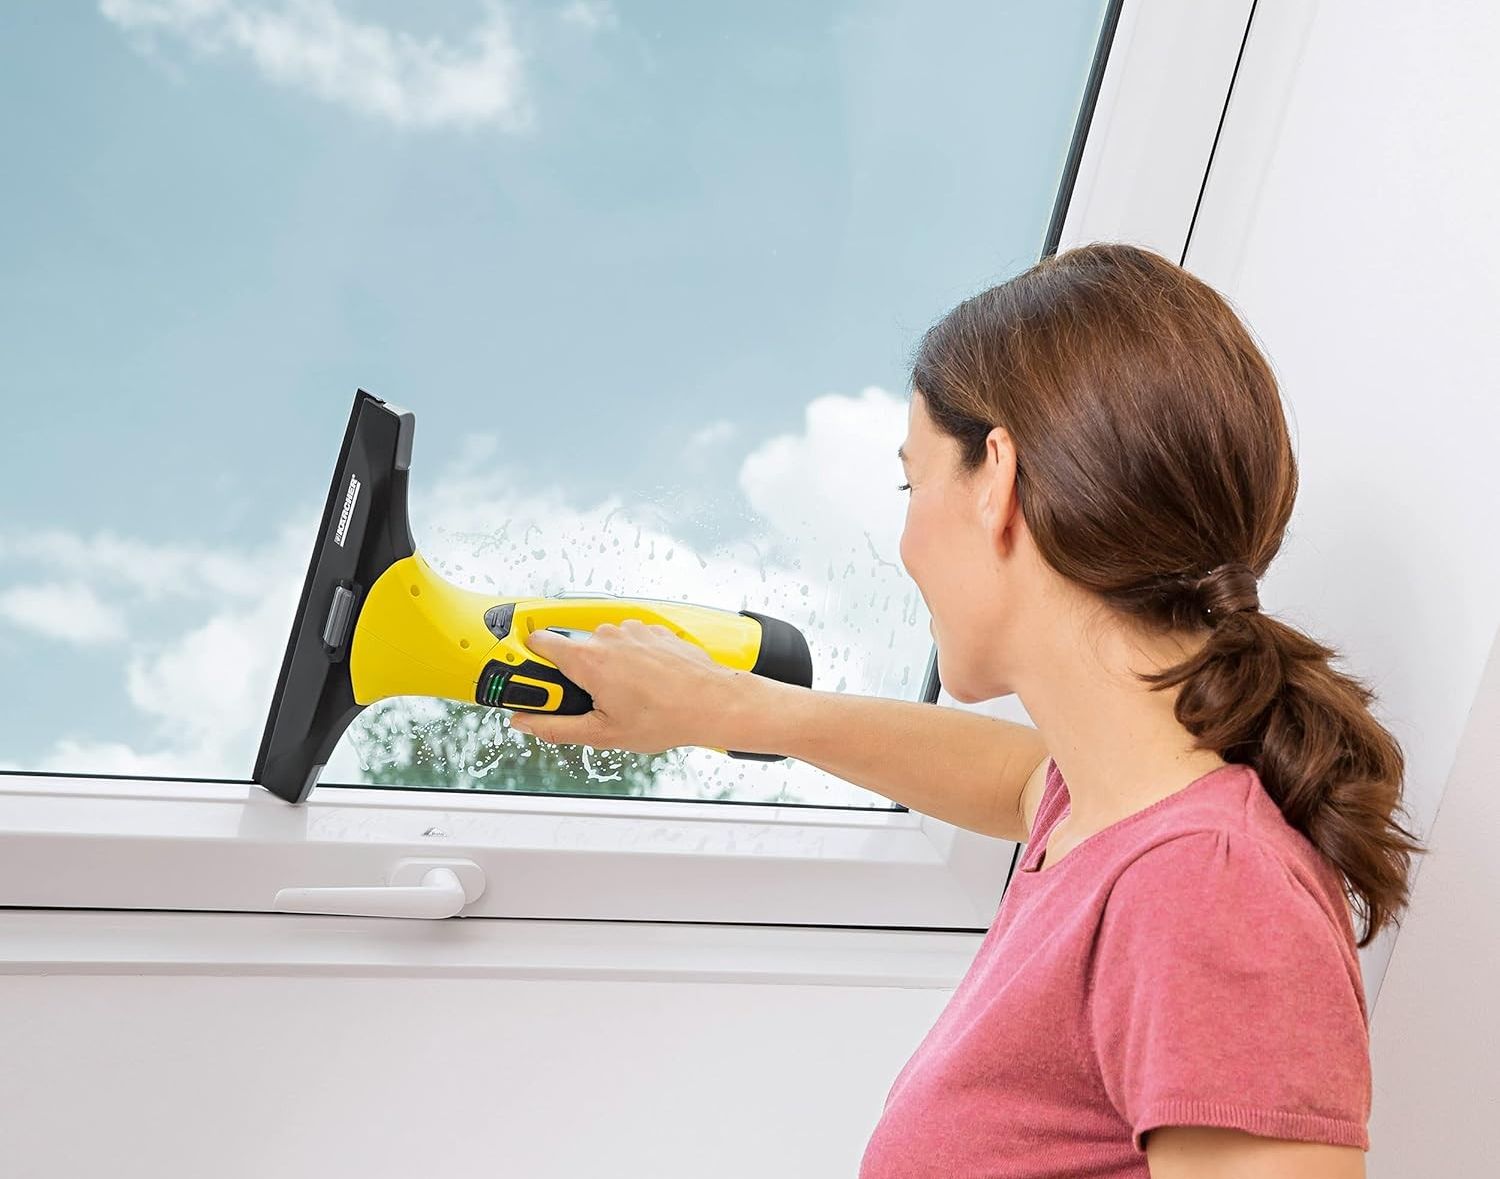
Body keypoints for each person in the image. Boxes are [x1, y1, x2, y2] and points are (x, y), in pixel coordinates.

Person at [506, 242, 1423, 1178]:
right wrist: (730, 708)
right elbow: (1017, 778)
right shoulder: (1104, 813)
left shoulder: (1209, 887)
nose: (905, 542)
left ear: (997, 478)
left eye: (914, 482)